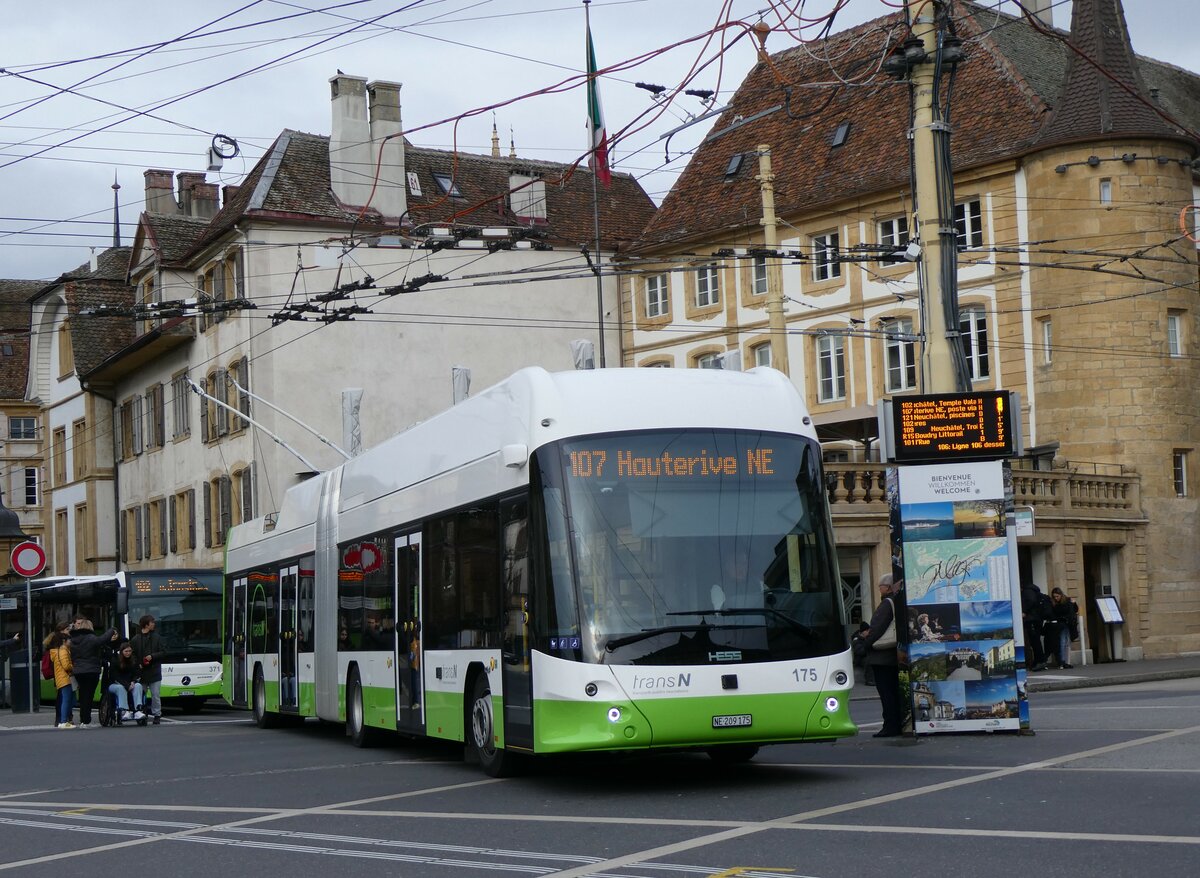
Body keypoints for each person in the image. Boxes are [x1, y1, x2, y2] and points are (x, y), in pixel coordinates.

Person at [853, 573, 905, 738]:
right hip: (890, 657)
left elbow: (876, 630)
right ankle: (894, 724)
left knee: (887, 693)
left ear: (888, 587)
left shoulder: (886, 604)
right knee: (892, 692)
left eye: (880, 586)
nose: (879, 589)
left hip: (882, 658)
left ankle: (890, 726)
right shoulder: (896, 601)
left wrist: (863, 645)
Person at [68, 616, 118, 729]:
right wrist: (112, 629)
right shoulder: (90, 638)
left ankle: (83, 719)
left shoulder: (73, 640)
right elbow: (102, 639)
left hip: (78, 670)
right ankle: (85, 720)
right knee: (89, 696)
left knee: (83, 694)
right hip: (91, 670)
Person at [129, 614, 164, 724]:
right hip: (143, 671)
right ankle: (142, 712)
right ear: (146, 624)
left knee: (155, 695)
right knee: (141, 694)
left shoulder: (156, 637)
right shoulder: (135, 639)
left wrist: (152, 656)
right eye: (152, 622)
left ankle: (156, 714)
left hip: (153, 671)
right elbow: (132, 654)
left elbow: (164, 652)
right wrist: (138, 664)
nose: (154, 624)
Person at [107, 640, 146, 723]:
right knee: (121, 688)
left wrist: (133, 681)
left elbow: (137, 673)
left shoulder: (134, 660)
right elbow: (115, 676)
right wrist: (126, 685)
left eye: (129, 651)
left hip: (130, 683)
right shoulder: (115, 660)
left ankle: (137, 710)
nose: (128, 653)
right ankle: (124, 710)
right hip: (115, 684)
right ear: (121, 651)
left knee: (138, 685)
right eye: (126, 651)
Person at [48, 623, 75, 729]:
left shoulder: (58, 650)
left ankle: (63, 721)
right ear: (64, 641)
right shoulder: (63, 651)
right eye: (69, 640)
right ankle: (63, 721)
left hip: (61, 678)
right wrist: (73, 667)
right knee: (66, 700)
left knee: (67, 699)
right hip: (65, 678)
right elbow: (66, 665)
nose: (70, 642)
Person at [1020, 580, 1050, 671]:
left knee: (1035, 641)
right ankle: (1038, 661)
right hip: (1036, 619)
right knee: (1035, 641)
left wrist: (1024, 611)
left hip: (1032, 619)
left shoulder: (1027, 591)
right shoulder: (1033, 591)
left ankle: (1040, 661)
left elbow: (1031, 601)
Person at [1048, 587, 1079, 669]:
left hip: (1065, 624)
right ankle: (1063, 661)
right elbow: (1074, 610)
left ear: (1061, 595)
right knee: (1064, 642)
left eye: (1057, 596)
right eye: (1054, 597)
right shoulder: (1066, 601)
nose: (1056, 598)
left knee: (1064, 642)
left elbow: (1075, 609)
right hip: (1064, 624)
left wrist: (1074, 604)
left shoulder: (1060, 603)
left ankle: (1064, 661)